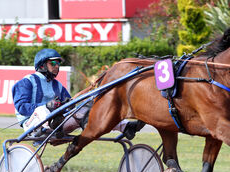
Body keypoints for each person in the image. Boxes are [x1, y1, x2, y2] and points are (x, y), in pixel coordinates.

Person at [12, 48, 143, 139]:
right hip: (32, 125)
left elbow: (70, 106)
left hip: (56, 123)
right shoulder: (27, 82)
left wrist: (83, 101)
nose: (57, 66)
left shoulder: (58, 85)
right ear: (42, 66)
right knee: (42, 110)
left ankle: (125, 126)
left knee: (86, 110)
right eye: (53, 63)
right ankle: (50, 128)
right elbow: (21, 107)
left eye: (58, 63)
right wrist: (48, 106)